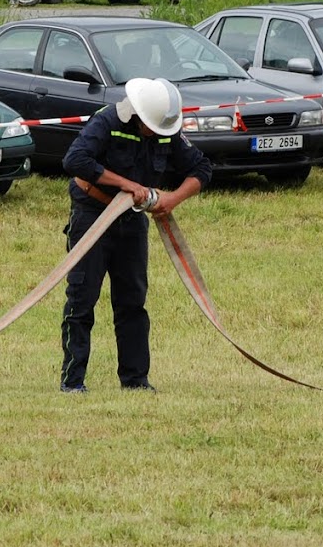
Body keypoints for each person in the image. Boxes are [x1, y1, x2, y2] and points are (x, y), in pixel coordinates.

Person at [59, 77, 213, 394]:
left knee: (132, 301)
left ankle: (135, 380)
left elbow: (201, 169)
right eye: (153, 127)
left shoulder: (166, 129)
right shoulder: (107, 121)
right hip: (93, 215)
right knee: (82, 298)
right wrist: (126, 184)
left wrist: (172, 199)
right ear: (139, 116)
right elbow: (74, 160)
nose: (158, 134)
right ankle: (73, 382)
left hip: (132, 221)